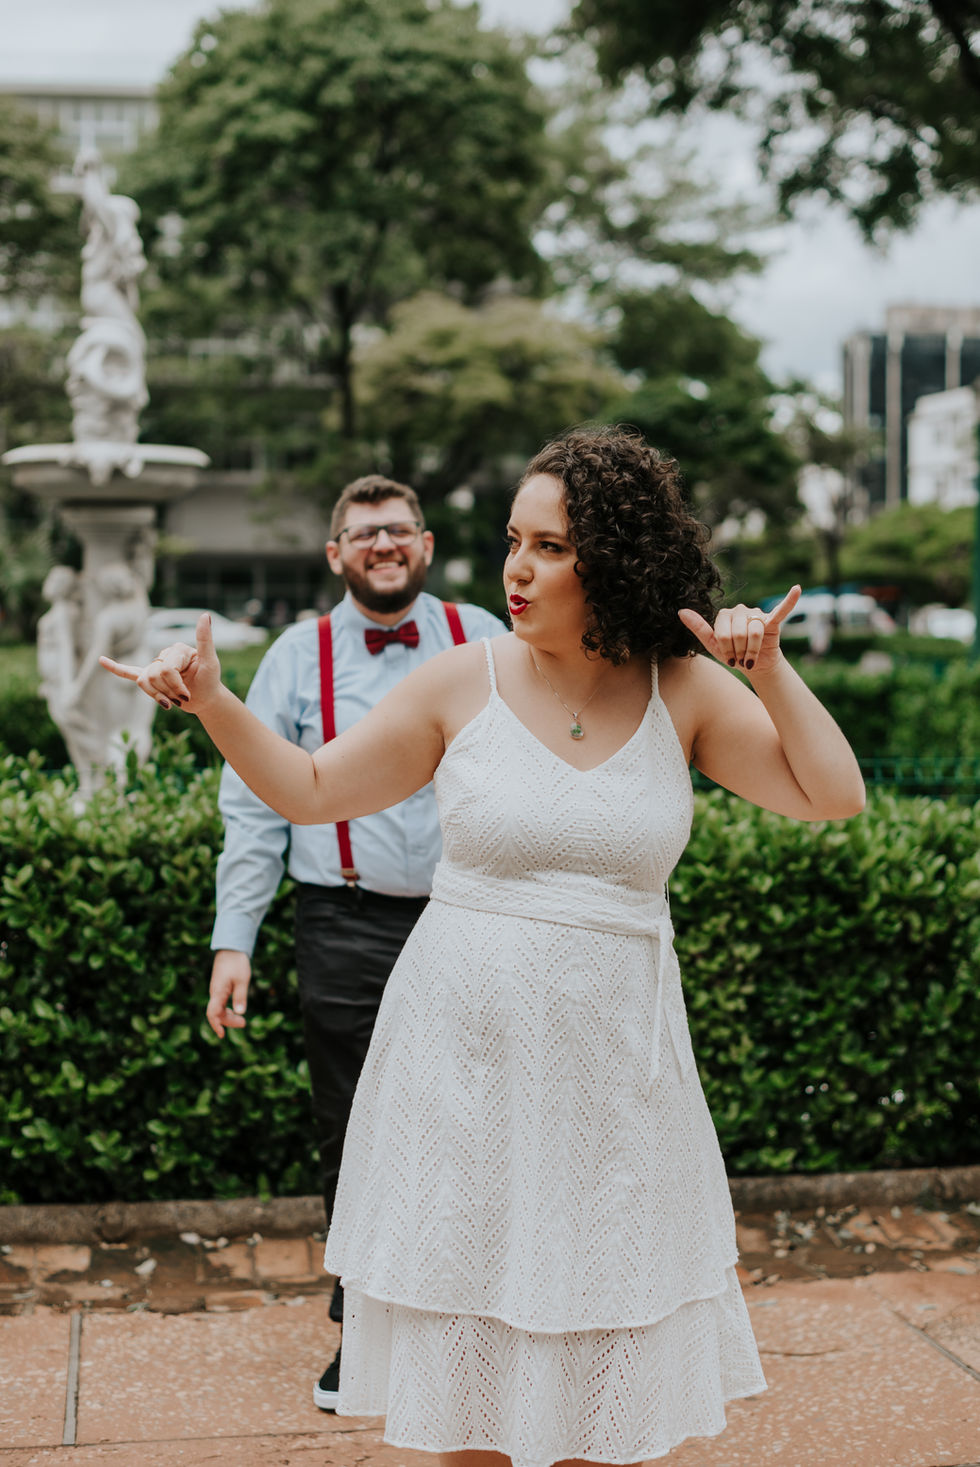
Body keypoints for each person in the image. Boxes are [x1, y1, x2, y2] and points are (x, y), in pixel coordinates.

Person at [103, 426, 865, 1467]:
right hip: (463, 1072)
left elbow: (832, 796)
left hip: (616, 1082)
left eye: (548, 546)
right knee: (470, 1394)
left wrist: (767, 671)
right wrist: (213, 702)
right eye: (513, 539)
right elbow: (312, 790)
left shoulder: (677, 691)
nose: (515, 567)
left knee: (605, 1384)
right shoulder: (460, 682)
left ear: (616, 557)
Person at [205, 472, 506, 1410]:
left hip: (474, 917)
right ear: (336, 554)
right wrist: (233, 940)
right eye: (364, 532)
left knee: (482, 1123)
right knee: (357, 1131)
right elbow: (255, 806)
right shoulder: (295, 657)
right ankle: (363, 1336)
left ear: (425, 546)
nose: (384, 545)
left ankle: (477, 1328)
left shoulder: (487, 642)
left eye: (400, 530)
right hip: (343, 923)